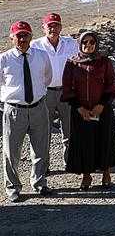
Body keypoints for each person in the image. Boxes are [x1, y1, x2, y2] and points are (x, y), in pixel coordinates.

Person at [61, 32, 115, 190]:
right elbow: (67, 88)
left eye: (92, 42)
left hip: (102, 109)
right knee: (84, 143)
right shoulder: (72, 63)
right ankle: (86, 175)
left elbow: (110, 85)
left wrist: (101, 105)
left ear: (97, 43)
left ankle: (106, 172)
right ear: (79, 44)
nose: (88, 45)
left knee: (104, 140)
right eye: (85, 42)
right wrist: (79, 108)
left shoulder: (104, 62)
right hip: (81, 111)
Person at [1, 21, 52, 202]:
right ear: (12, 38)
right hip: (14, 111)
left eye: (26, 35)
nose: (22, 39)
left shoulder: (42, 56)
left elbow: (47, 78)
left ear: (31, 36)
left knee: (41, 148)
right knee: (11, 152)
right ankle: (12, 187)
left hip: (38, 107)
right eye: (18, 36)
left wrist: (36, 94)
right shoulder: (3, 59)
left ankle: (39, 182)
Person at [31, 12, 77, 171]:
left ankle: (70, 162)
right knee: (43, 131)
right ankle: (44, 166)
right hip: (45, 93)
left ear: (61, 27)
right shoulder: (35, 45)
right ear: (43, 28)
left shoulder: (71, 43)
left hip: (67, 92)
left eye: (56, 25)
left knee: (70, 130)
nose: (53, 28)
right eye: (50, 25)